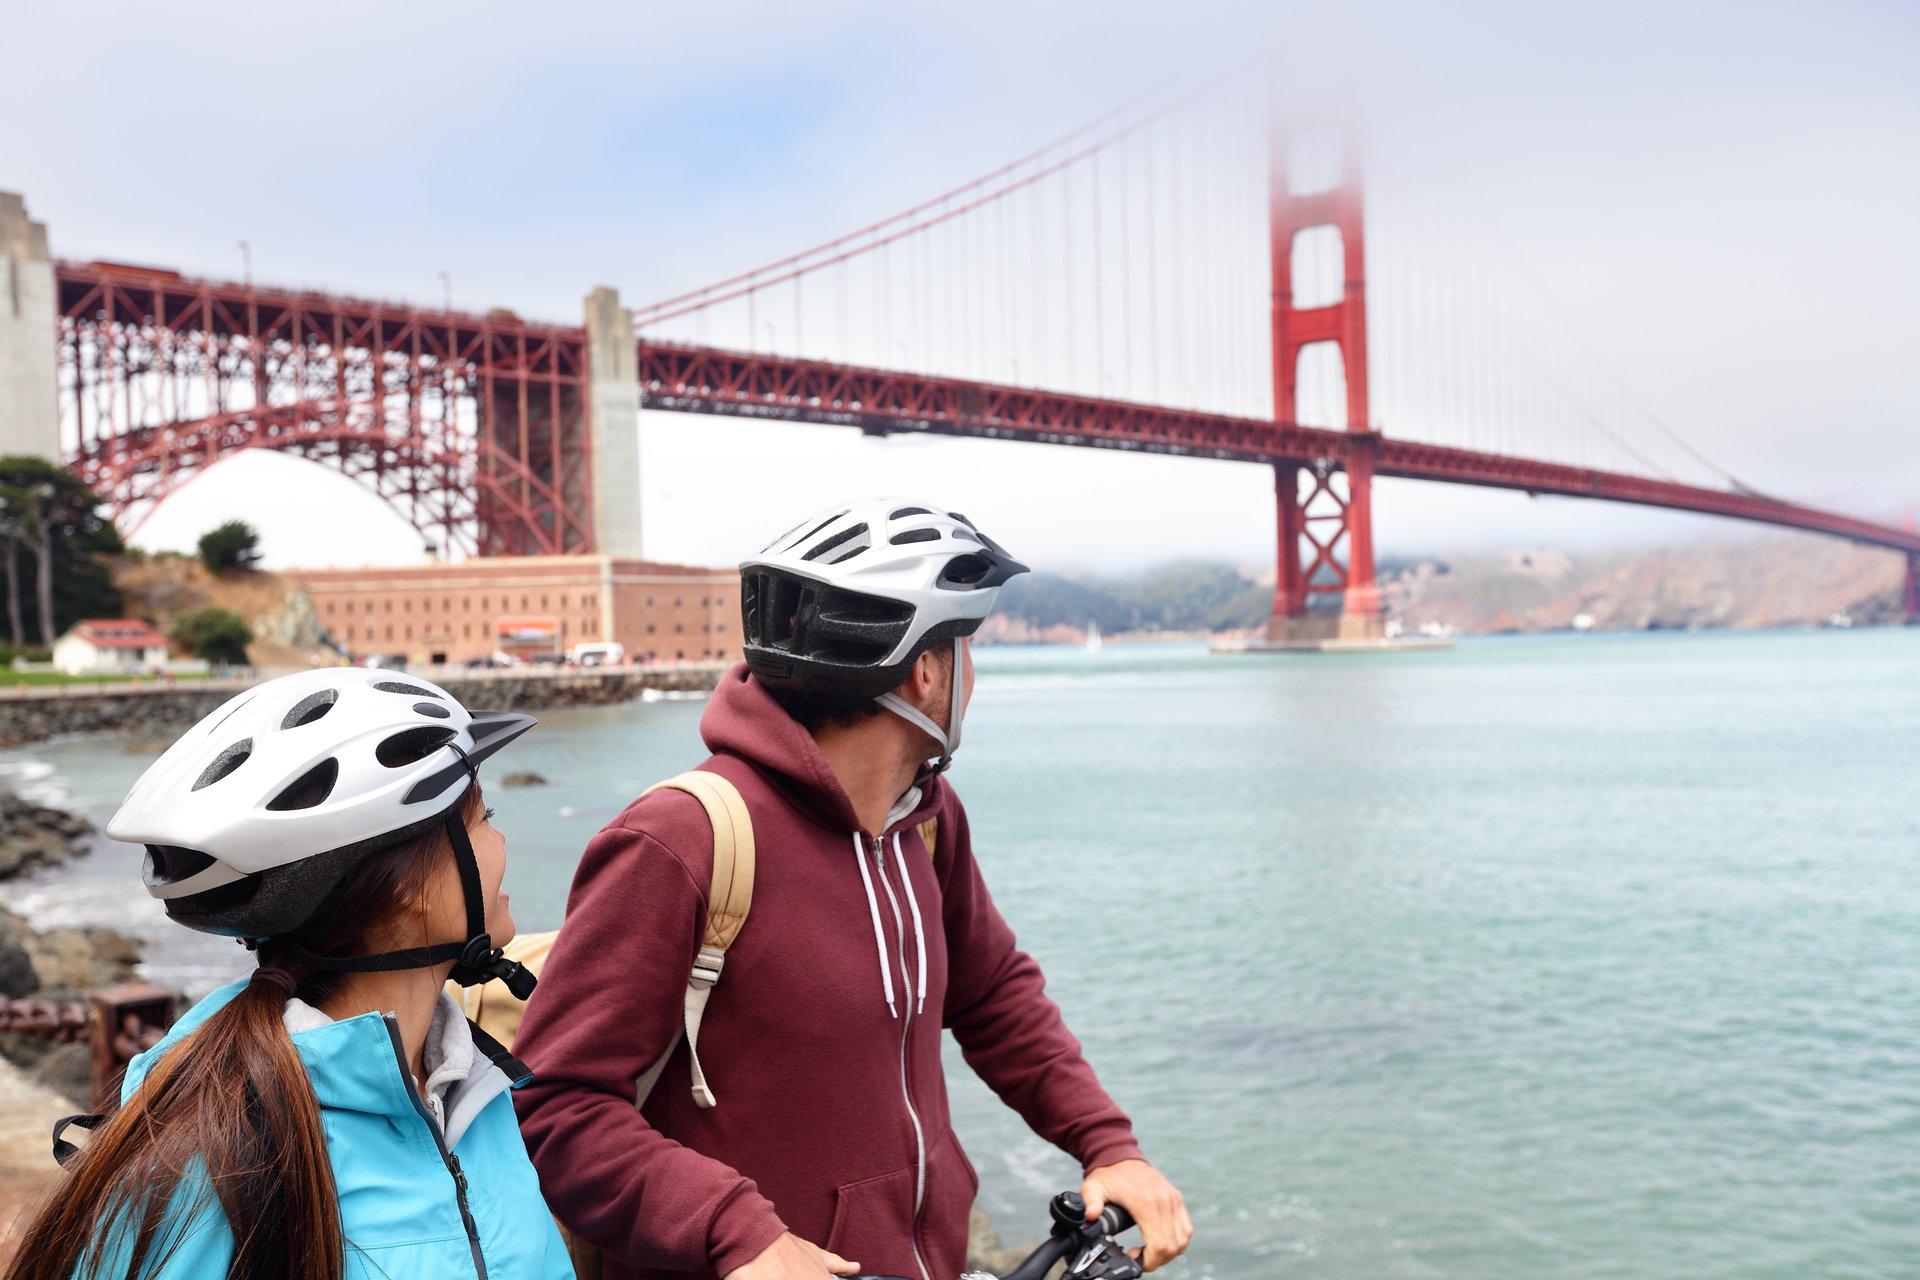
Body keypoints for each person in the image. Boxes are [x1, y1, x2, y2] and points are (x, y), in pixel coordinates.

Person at [514, 499, 1194, 1280]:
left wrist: (1107, 1144)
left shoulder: (926, 821)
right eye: (964, 648)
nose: (973, 675)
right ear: (927, 672)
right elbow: (556, 1105)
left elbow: (993, 993)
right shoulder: (679, 840)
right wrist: (731, 1228)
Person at [4, 668, 574, 1280]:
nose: (503, 839)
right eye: (484, 817)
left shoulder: (471, 1089)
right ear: (409, 886)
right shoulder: (219, 1162)